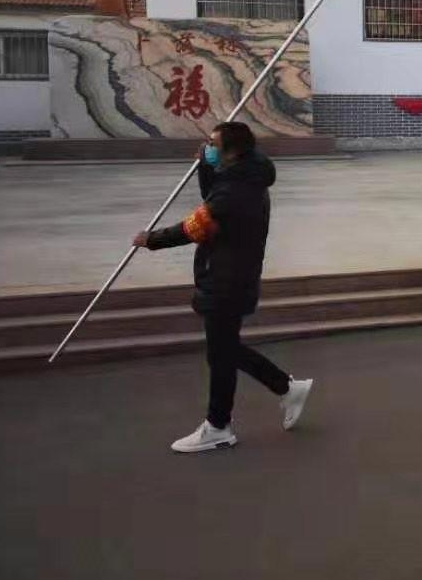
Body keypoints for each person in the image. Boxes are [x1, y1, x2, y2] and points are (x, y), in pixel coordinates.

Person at [134, 121, 313, 452]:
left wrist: (151, 240)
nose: (209, 146)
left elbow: (195, 227)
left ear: (231, 150)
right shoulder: (245, 175)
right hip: (232, 276)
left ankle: (219, 425)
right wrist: (206, 164)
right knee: (224, 351)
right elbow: (212, 195)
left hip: (226, 281)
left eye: (213, 143)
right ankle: (285, 390)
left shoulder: (236, 190)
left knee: (222, 353)